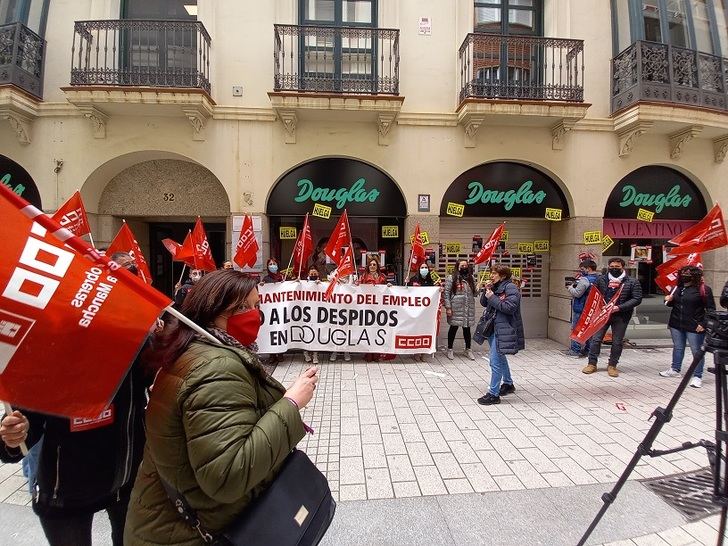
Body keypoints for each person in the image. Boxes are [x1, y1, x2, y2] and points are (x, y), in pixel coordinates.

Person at [124, 270, 318, 545]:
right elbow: (228, 474)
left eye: (256, 306)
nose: (253, 315)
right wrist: (291, 403)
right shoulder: (216, 367)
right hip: (193, 533)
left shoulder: (195, 353)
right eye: (240, 307)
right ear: (210, 310)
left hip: (171, 523)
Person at [0, 252, 151, 546]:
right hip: (65, 494)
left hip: (126, 482)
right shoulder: (54, 350)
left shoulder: (139, 340)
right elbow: (22, 432)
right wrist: (10, 438)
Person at [582, 258, 643, 377]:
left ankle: (612, 365)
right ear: (608, 266)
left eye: (617, 266)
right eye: (612, 266)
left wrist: (619, 307)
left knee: (617, 341)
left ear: (622, 267)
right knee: (596, 339)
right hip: (603, 315)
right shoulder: (601, 279)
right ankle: (592, 363)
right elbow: (594, 295)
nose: (614, 268)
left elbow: (637, 299)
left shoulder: (632, 281)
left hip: (621, 315)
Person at [659, 266, 715, 388]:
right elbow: (670, 304)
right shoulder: (677, 288)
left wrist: (703, 324)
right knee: (678, 347)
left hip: (695, 326)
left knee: (696, 351)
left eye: (688, 273)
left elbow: (711, 310)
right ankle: (675, 369)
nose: (685, 275)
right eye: (683, 273)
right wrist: (667, 300)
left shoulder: (704, 289)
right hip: (676, 324)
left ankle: (697, 375)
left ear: (695, 275)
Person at [477, 265, 524, 405]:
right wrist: (487, 290)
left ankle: (493, 394)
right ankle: (508, 383)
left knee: (494, 361)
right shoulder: (496, 286)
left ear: (503, 276)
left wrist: (492, 297)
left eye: (494, 273)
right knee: (500, 357)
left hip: (503, 327)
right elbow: (484, 303)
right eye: (491, 273)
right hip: (493, 326)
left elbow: (510, 307)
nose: (491, 275)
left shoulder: (510, 288)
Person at [359, 257, 394, 362]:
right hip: (367, 307)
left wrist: (388, 286)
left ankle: (377, 354)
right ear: (368, 266)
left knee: (377, 330)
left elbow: (387, 290)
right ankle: (368, 354)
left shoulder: (382, 277)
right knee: (368, 330)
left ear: (377, 266)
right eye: (371, 265)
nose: (372, 266)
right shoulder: (363, 276)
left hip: (379, 308)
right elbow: (358, 288)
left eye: (374, 265)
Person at [444, 260, 477, 361]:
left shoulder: (471, 278)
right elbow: (446, 294)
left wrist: (478, 288)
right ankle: (450, 349)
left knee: (467, 329)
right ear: (457, 266)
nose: (464, 267)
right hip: (456, 308)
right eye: (462, 265)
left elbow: (475, 294)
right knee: (453, 328)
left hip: (468, 308)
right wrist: (448, 307)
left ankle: (468, 349)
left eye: (466, 265)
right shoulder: (452, 278)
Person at [408, 261, 441, 361]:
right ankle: (415, 352)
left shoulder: (431, 280)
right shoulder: (413, 279)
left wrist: (438, 290)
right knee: (415, 331)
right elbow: (407, 292)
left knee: (425, 331)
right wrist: (407, 283)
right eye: (422, 267)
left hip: (427, 312)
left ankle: (423, 352)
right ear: (419, 269)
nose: (424, 269)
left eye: (425, 267)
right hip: (415, 311)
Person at [566, 259, 599, 357]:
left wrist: (570, 287)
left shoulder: (585, 280)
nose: (581, 271)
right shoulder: (600, 278)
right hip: (593, 308)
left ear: (588, 269)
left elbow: (577, 293)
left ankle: (575, 350)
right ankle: (588, 350)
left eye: (582, 269)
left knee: (577, 328)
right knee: (589, 330)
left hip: (581, 308)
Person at [260, 257, 286, 365]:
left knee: (281, 329)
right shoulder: (266, 279)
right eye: (270, 264)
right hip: (270, 311)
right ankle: (272, 355)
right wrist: (262, 286)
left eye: (274, 263)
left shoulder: (283, 277)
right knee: (271, 329)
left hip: (281, 309)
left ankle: (280, 353)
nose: (272, 266)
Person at [303, 266, 322, 365]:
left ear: (318, 274)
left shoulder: (321, 283)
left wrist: (320, 285)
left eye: (315, 274)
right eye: (311, 274)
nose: (313, 276)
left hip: (317, 313)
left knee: (315, 333)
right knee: (306, 333)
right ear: (308, 275)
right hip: (306, 314)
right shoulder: (304, 284)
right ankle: (305, 352)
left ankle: (315, 354)